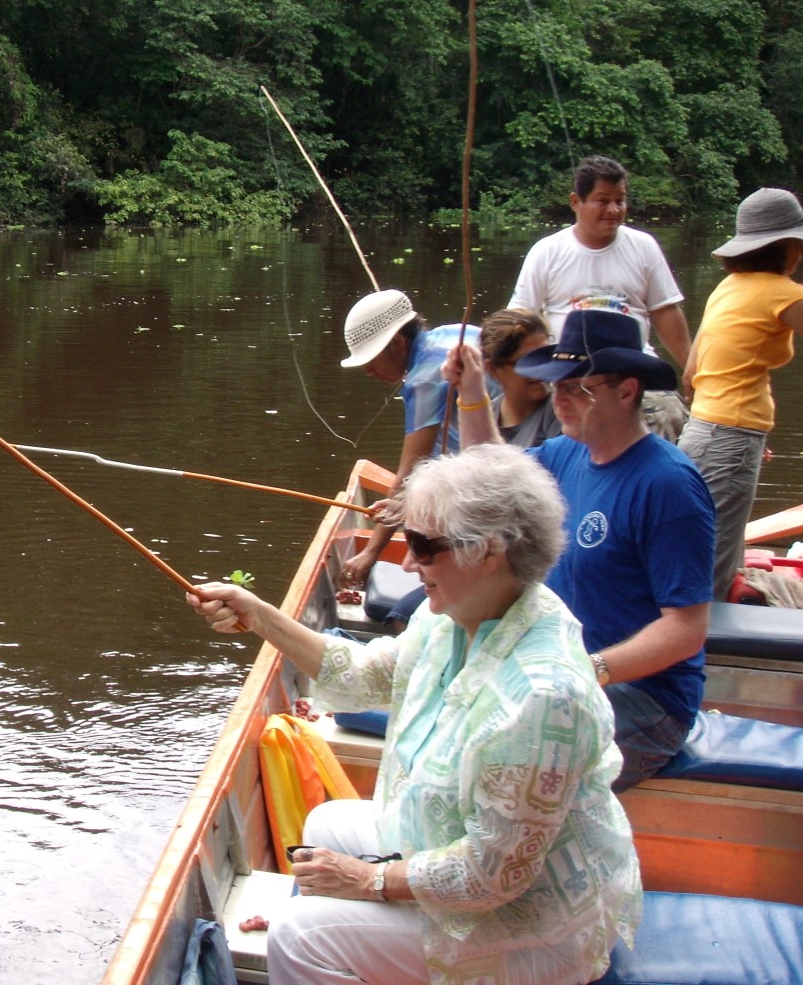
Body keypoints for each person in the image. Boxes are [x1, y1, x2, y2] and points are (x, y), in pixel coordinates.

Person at [188, 445, 641, 985]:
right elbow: (362, 675)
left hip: (536, 926)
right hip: (482, 872)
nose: (406, 562)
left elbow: (492, 875)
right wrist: (259, 615)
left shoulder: (543, 698)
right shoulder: (455, 612)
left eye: (424, 546)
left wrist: (368, 882)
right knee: (326, 824)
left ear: (489, 549)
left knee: (300, 934)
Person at [447, 309, 715, 789]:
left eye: (578, 387)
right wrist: (471, 393)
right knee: (451, 734)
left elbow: (686, 629)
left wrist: (590, 670)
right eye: (557, 385)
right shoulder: (565, 452)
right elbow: (487, 471)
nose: (560, 398)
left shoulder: (669, 485)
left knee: (504, 774)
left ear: (627, 390)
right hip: (559, 676)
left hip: (643, 698)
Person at [679, 188, 803, 600]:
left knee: (699, 546)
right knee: (715, 567)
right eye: (799, 244)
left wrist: (744, 434)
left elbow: (691, 374)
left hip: (701, 432)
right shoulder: (786, 293)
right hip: (730, 438)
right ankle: (707, 653)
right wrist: (740, 435)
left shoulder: (728, 287)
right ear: (783, 246)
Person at [508, 155, 691, 441]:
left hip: (633, 367)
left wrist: (693, 370)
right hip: (568, 369)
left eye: (620, 201)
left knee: (671, 414)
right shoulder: (547, 251)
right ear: (575, 202)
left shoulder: (643, 247)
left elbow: (665, 312)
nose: (614, 210)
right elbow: (520, 319)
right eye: (602, 200)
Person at [336, 288, 494, 586]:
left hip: (485, 483)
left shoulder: (424, 377)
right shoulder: (451, 334)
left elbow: (409, 470)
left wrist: (371, 552)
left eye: (372, 360)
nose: (369, 371)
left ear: (397, 343)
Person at [479, 308, 561, 447]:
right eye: (527, 361)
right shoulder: (485, 417)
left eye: (546, 357)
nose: (541, 369)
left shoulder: (561, 409)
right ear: (492, 369)